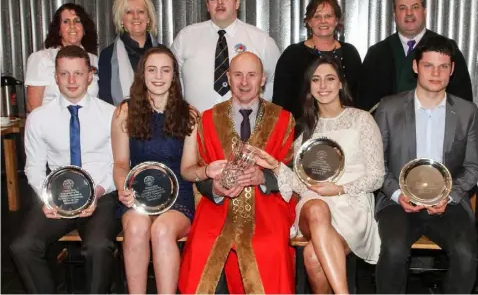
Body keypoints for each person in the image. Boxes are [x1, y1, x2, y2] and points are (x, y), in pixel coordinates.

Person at [253, 55, 384, 293]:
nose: (323, 86)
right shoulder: (304, 128)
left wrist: (340, 189)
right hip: (314, 203)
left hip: (351, 204)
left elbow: (376, 176)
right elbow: (302, 184)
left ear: (341, 83)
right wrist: (274, 165)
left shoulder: (362, 120)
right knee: (315, 208)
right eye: (316, 80)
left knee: (313, 257)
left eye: (330, 79)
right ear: (309, 87)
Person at [178, 52, 296, 294]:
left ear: (263, 79)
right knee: (200, 247)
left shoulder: (283, 119)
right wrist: (215, 188)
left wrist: (264, 177)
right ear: (228, 78)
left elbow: (291, 171)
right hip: (217, 207)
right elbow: (199, 172)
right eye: (238, 75)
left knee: (270, 248)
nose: (244, 82)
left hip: (266, 205)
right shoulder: (208, 119)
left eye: (251, 75)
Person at [374, 36, 478, 293]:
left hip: (449, 204)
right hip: (397, 203)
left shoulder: (467, 112)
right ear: (415, 67)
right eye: (428, 66)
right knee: (393, 250)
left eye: (443, 66)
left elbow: (473, 166)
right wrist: (398, 194)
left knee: (467, 255)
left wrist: (451, 196)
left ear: (452, 70)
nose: (436, 73)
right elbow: (376, 164)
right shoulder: (389, 108)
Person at [11, 45, 117, 293]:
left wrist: (99, 191)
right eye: (64, 74)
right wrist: (46, 198)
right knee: (23, 246)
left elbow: (118, 163)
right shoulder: (39, 118)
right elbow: (34, 166)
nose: (71, 81)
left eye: (78, 74)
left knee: (98, 246)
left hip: (102, 195)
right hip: (58, 197)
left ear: (90, 75)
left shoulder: (110, 115)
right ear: (55, 77)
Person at [111, 47, 196, 293]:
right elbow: (120, 164)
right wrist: (122, 188)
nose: (158, 76)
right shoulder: (124, 112)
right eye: (152, 69)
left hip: (178, 194)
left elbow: (189, 167)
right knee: (136, 227)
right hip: (138, 194)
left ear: (174, 76)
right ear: (142, 74)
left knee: (161, 230)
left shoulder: (189, 115)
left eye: (165, 70)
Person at [171, 0, 281, 113]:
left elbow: (275, 81)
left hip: (246, 128)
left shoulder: (261, 41)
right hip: (195, 127)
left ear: (237, 2)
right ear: (207, 5)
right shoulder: (186, 37)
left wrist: (259, 113)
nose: (219, 2)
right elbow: (172, 79)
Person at [357, 0, 473, 112]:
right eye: (403, 8)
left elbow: (462, 99)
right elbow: (365, 104)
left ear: (424, 11)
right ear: (395, 15)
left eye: (415, 7)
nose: (409, 13)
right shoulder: (377, 53)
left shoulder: (446, 48)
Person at [272, 0, 363, 119]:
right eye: (317, 17)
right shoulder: (292, 55)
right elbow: (280, 102)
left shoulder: (350, 53)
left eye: (328, 16)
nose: (323, 21)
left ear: (336, 20)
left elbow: (359, 97)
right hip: (302, 129)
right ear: (309, 22)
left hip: (345, 128)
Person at [25, 3, 99, 112]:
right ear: (59, 30)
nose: (72, 25)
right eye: (66, 21)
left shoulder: (94, 60)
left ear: (84, 28)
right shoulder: (41, 59)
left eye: (77, 21)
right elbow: (33, 108)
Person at [98, 0, 164, 105]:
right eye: (129, 12)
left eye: (141, 12)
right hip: (122, 120)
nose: (136, 16)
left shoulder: (164, 53)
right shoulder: (107, 56)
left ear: (148, 18)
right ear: (121, 20)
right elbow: (105, 101)